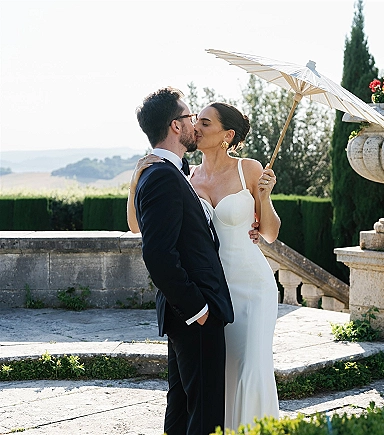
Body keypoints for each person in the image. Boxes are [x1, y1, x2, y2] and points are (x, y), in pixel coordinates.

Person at [128, 101, 281, 431]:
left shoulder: (250, 170)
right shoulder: (186, 173)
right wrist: (136, 177)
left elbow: (268, 233)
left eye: (205, 123)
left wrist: (264, 199)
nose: (196, 126)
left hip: (251, 285)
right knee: (216, 377)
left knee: (252, 368)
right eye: (194, 119)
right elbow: (140, 227)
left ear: (227, 135)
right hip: (210, 288)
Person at [132, 87, 234, 435]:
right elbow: (158, 254)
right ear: (176, 126)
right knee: (205, 414)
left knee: (181, 408)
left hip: (186, 315)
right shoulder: (161, 176)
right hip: (193, 314)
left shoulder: (171, 170)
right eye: (191, 118)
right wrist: (198, 309)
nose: (195, 126)